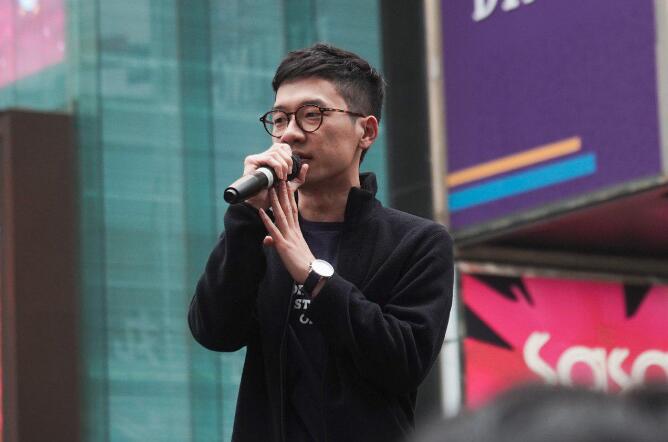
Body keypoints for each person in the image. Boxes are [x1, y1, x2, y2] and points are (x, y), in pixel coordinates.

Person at [188, 43, 454, 442]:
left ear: (366, 131)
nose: (290, 133)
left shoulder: (417, 242)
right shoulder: (260, 233)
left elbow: (404, 362)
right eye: (280, 119)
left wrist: (314, 277)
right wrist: (246, 216)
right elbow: (214, 331)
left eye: (312, 115)